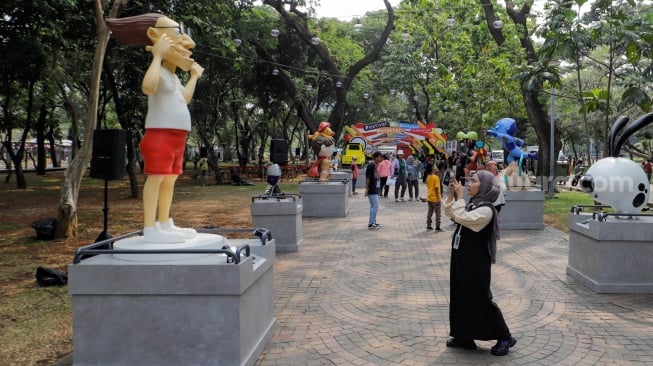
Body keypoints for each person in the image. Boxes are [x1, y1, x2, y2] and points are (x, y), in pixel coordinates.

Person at [106, 13, 203, 243]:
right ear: (154, 36)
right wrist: (157, 56)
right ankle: (150, 227)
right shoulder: (157, 70)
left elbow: (184, 99)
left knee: (170, 179)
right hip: (160, 134)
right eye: (177, 33)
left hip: (178, 136)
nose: (187, 43)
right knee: (157, 178)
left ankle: (164, 222)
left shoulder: (173, 77)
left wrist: (194, 77)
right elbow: (147, 87)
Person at [443, 170, 516, 356]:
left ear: (484, 186)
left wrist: (459, 198)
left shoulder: (486, 209)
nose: (468, 184)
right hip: (462, 258)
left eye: (473, 181)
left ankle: (505, 336)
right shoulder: (473, 204)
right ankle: (464, 336)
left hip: (476, 261)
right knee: (460, 295)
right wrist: (452, 195)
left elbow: (463, 218)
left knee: (481, 298)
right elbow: (452, 214)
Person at [365, 151, 384, 230]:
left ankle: (373, 222)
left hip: (375, 188)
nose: (381, 158)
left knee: (374, 206)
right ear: (376, 158)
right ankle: (371, 223)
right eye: (380, 157)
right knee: (375, 206)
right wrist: (367, 188)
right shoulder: (371, 166)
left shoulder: (376, 165)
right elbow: (368, 177)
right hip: (371, 189)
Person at [425, 164, 444, 231]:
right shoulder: (435, 177)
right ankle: (438, 226)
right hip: (435, 198)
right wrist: (438, 198)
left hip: (430, 198)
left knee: (430, 212)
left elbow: (428, 186)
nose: (436, 167)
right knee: (438, 213)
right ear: (433, 168)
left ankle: (428, 225)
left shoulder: (428, 177)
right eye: (435, 166)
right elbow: (436, 188)